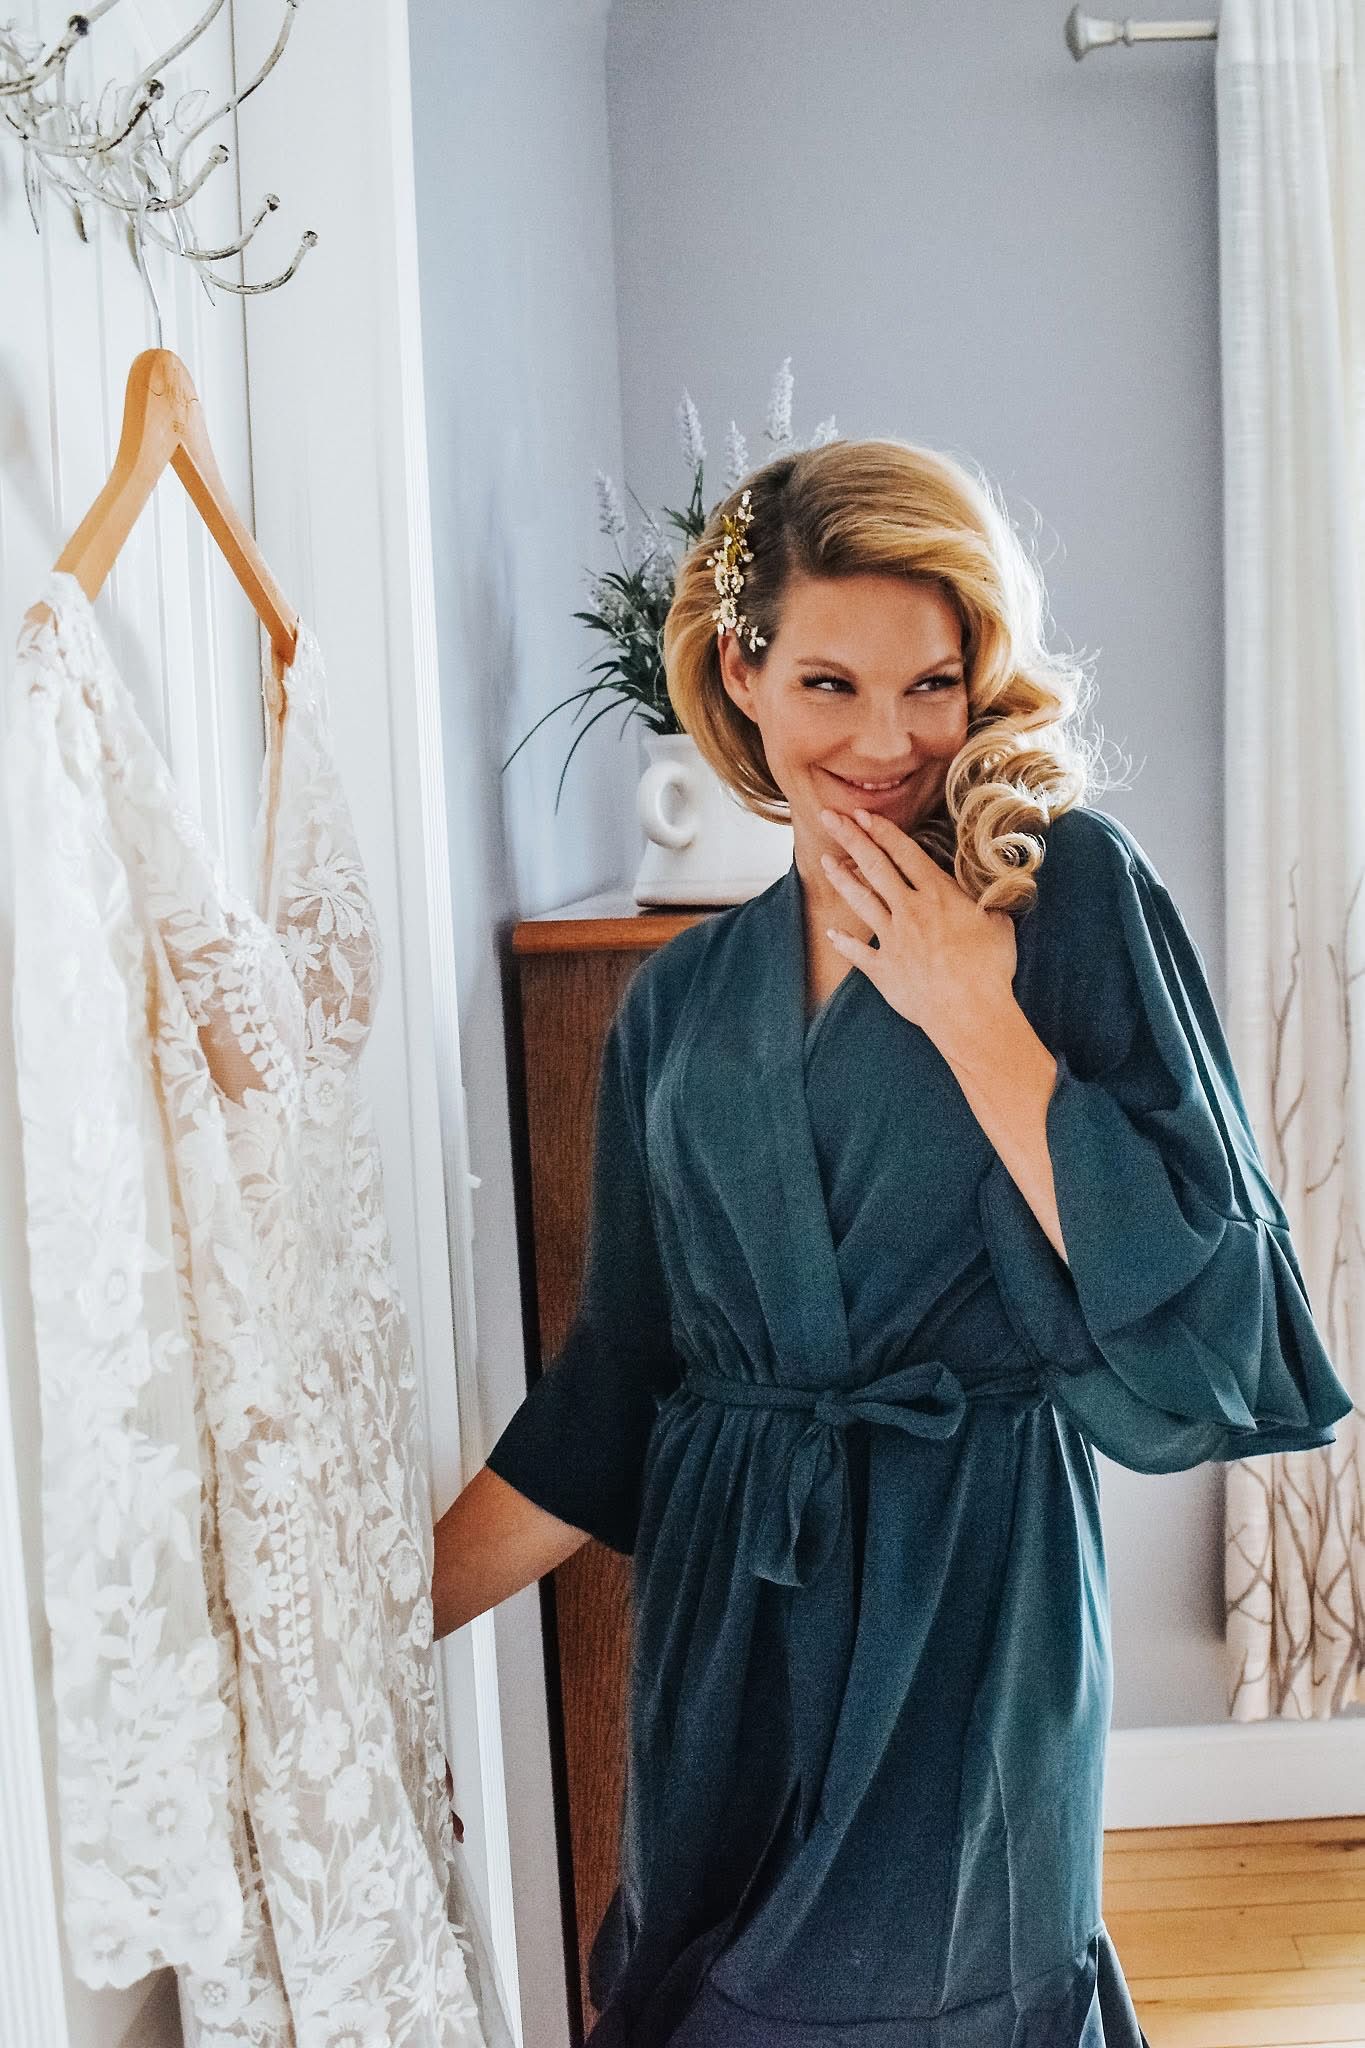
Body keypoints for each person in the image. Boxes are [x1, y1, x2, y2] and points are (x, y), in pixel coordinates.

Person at [431, 438, 1354, 2048]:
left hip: (966, 1603)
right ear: (743, 670)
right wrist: (360, 1632)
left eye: (931, 685)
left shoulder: (1061, 897)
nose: (885, 743)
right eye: (829, 684)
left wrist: (972, 1016)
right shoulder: (676, 1006)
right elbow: (614, 1387)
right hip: (726, 1622)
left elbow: (1225, 1334)